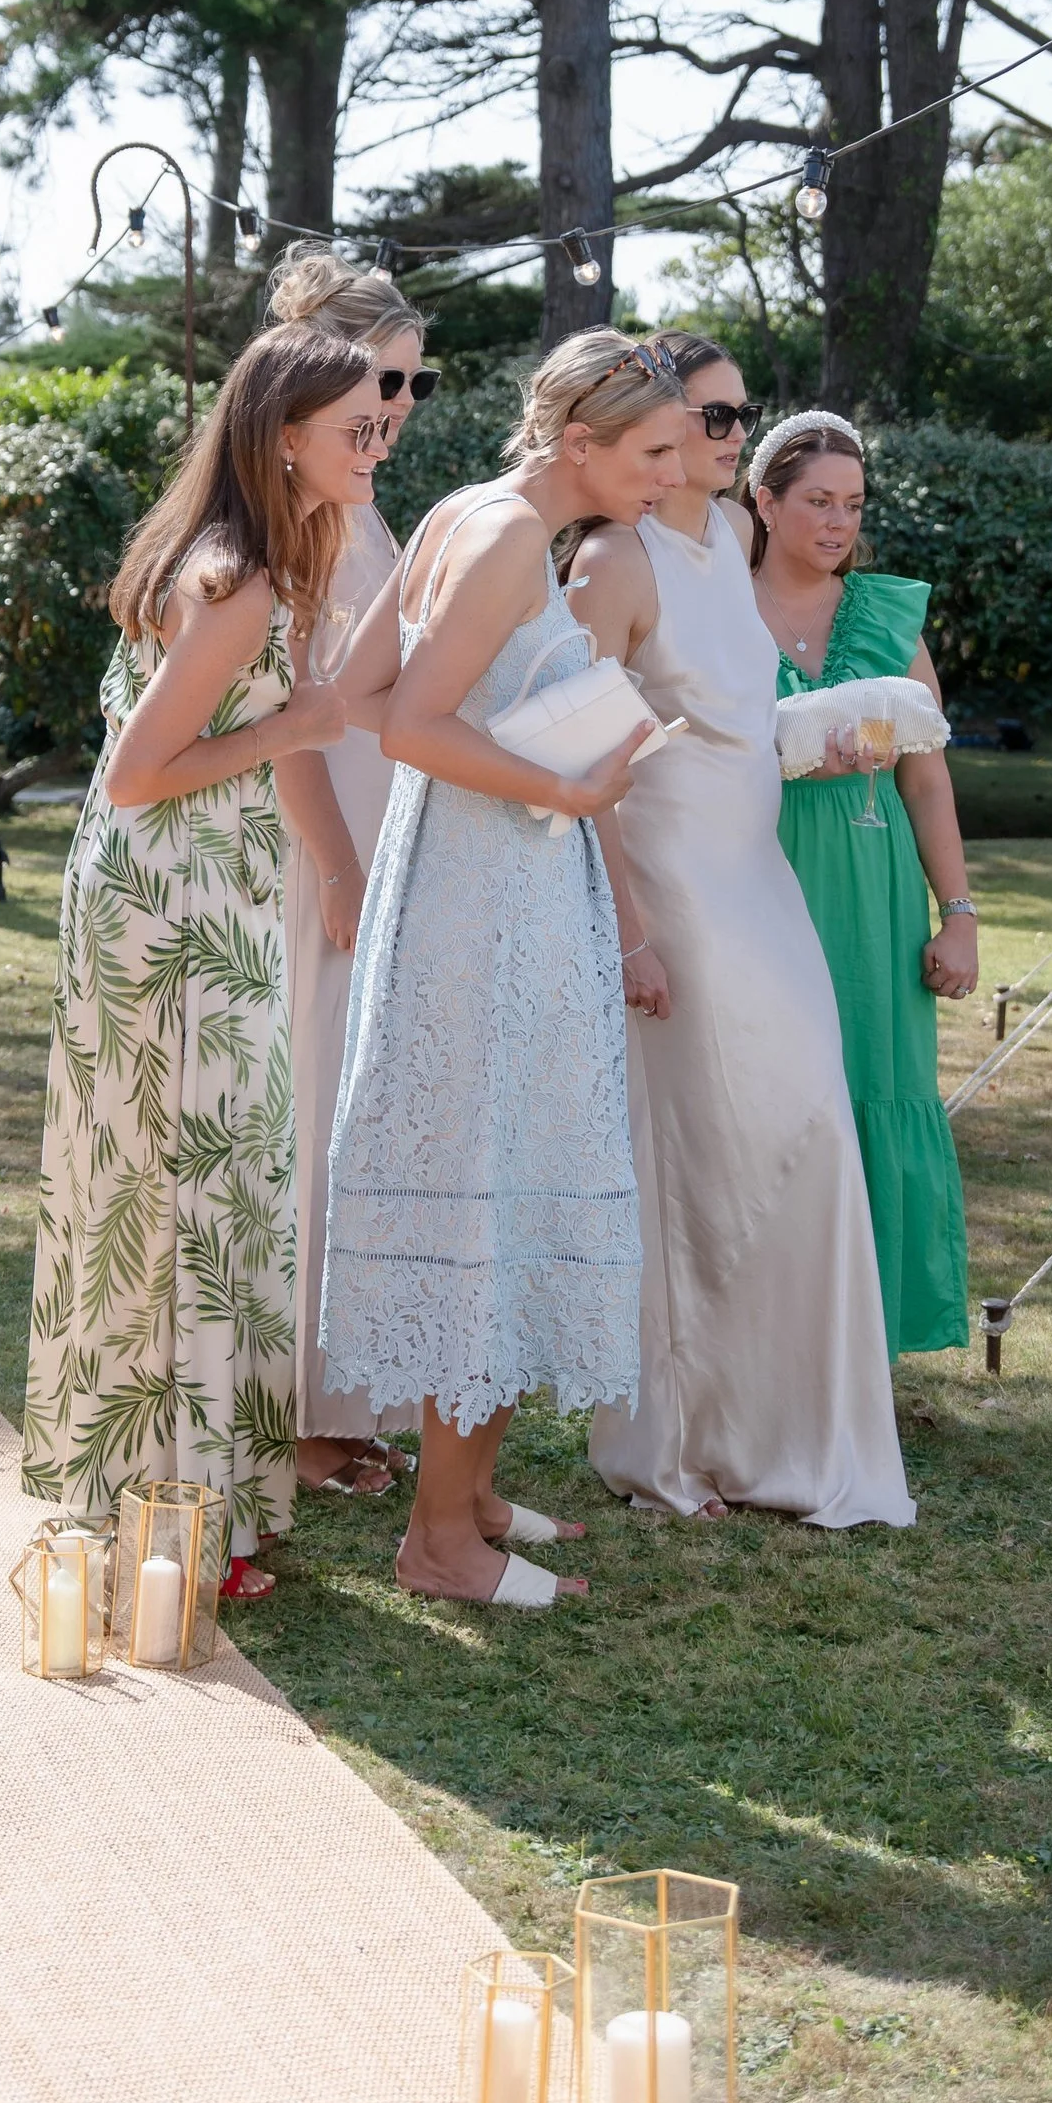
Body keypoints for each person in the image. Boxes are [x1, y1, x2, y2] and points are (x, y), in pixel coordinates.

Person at [318, 335, 692, 1608]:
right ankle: (436, 1540)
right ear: (577, 442)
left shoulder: (459, 516)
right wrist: (558, 779)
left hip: (490, 885)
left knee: (507, 1172)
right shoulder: (505, 541)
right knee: (486, 1181)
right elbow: (409, 723)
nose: (673, 471)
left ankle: (470, 1494)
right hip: (489, 900)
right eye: (651, 452)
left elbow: (360, 691)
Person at [20, 324, 381, 1595]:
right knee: (186, 1202)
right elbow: (136, 775)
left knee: (197, 1197)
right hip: (173, 917)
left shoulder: (253, 562)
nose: (379, 436)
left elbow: (257, 746)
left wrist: (332, 855)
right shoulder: (241, 585)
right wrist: (309, 718)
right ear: (284, 435)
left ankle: (187, 1499)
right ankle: (178, 1525)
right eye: (357, 423)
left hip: (197, 904)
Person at [566, 339, 914, 1528]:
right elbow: (577, 753)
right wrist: (626, 929)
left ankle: (790, 1431)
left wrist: (832, 732)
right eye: (708, 418)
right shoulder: (616, 560)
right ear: (650, 428)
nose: (726, 436)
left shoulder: (725, 544)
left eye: (734, 416)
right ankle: (677, 1443)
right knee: (704, 1159)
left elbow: (736, 718)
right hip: (674, 889)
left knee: (809, 1128)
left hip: (757, 871)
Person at [260, 249, 437, 1494]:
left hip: (388, 816)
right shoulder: (309, 511)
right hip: (325, 833)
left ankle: (350, 1393)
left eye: (415, 386)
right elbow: (293, 710)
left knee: (363, 1115)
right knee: (319, 1110)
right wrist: (335, 866)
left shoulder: (360, 500)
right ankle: (308, 1413)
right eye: (386, 379)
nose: (401, 408)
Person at [746, 411, 976, 1359]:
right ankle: (774, 1338)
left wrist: (957, 914)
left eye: (852, 505)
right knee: (772, 1096)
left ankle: (866, 1343)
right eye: (817, 502)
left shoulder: (886, 617)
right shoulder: (714, 609)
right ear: (764, 502)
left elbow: (925, 774)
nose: (838, 523)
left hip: (878, 886)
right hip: (760, 872)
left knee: (877, 1081)